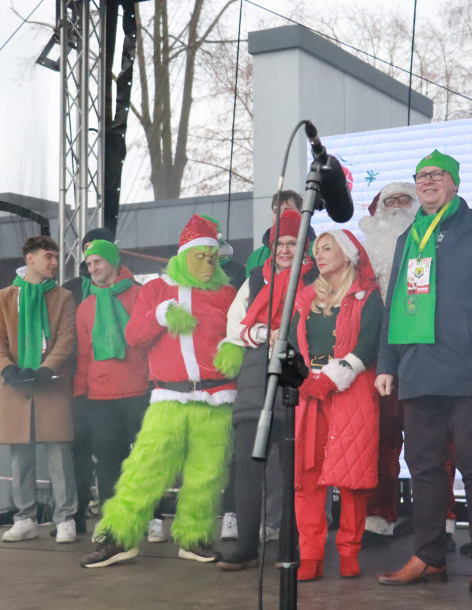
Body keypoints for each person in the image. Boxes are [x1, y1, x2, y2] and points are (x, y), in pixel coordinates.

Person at [375, 150, 472, 593]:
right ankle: (429, 555)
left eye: (437, 175)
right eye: (421, 176)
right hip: (419, 369)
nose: (428, 181)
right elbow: (394, 303)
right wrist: (387, 363)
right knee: (424, 467)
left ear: (455, 183)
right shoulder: (408, 237)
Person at [81, 215, 243, 568]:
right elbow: (134, 338)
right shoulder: (156, 290)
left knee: (206, 474)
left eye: (212, 257)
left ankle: (195, 536)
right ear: (183, 255)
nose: (207, 263)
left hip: (217, 398)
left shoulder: (226, 293)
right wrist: (160, 314)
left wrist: (235, 345)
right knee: (145, 469)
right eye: (200, 256)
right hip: (169, 397)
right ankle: (120, 536)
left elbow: (239, 329)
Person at [217, 209, 318, 571]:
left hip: (297, 384)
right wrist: (263, 334)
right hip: (256, 383)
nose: (286, 250)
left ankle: (293, 546)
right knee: (247, 468)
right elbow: (233, 327)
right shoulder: (256, 281)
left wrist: (286, 336)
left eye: (293, 243)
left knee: (295, 473)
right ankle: (246, 545)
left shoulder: (317, 277)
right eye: (280, 244)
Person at [291, 229, 382, 580]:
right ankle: (310, 555)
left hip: (351, 393)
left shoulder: (366, 296)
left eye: (327, 248)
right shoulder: (305, 298)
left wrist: (333, 377)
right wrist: (302, 377)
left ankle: (348, 551)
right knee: (307, 478)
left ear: (348, 253)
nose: (320, 254)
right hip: (309, 394)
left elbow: (369, 342)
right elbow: (295, 345)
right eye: (317, 250)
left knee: (350, 479)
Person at [0, 235, 78, 543]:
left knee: (58, 455)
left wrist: (47, 369)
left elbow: (66, 338)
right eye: (49, 257)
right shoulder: (4, 297)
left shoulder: (63, 297)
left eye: (55, 257)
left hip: (50, 385)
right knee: (20, 458)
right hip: (16, 387)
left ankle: (65, 518)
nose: (54, 262)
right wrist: (7, 368)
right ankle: (24, 518)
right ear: (30, 259)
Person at [72, 239, 150, 529]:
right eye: (89, 264)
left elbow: (151, 342)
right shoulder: (85, 306)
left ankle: (152, 518)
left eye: (98, 262)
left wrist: (154, 382)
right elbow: (83, 354)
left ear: (113, 262)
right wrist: (81, 391)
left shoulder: (141, 295)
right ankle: (111, 523)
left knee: (145, 460)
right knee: (106, 462)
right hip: (100, 395)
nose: (92, 268)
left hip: (138, 390)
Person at [359, 182, 422, 539]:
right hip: (374, 360)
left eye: (404, 199)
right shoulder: (363, 253)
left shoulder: (429, 247)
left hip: (422, 357)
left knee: (431, 445)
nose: (397, 206)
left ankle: (438, 519)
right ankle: (378, 516)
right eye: (389, 201)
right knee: (379, 444)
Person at [61, 227, 115, 534]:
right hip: (79, 385)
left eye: (100, 250)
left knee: (113, 452)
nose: (93, 261)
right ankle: (77, 514)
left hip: (116, 387)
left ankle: (118, 516)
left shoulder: (129, 286)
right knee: (78, 451)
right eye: (89, 251)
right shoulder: (69, 289)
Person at [246, 190, 304, 275]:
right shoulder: (256, 257)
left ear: (302, 214)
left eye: (288, 210)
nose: (281, 216)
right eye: (276, 211)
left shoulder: (316, 249)